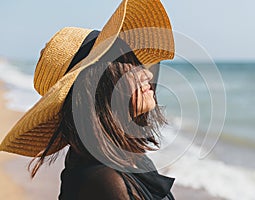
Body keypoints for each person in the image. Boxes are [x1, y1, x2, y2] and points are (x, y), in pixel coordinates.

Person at [0, 0, 175, 199]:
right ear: (98, 87)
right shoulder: (102, 181)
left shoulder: (124, 159)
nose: (148, 75)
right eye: (128, 66)